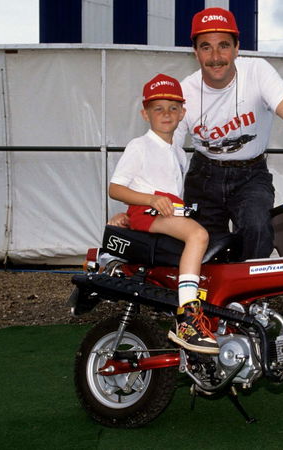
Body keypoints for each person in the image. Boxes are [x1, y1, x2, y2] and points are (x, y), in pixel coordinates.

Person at [172, 7, 283, 260]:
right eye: (205, 47)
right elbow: (168, 150)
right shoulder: (184, 91)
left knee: (258, 229)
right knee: (204, 250)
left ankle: (249, 299)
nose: (215, 56)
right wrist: (147, 202)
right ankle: (211, 299)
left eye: (223, 45)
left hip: (250, 175)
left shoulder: (257, 71)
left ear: (236, 48)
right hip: (204, 176)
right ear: (195, 52)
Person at [109, 73, 218, 355]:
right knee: (198, 234)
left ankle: (206, 309)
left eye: (173, 108)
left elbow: (145, 184)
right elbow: (116, 187)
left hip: (163, 212)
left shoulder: (179, 153)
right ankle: (187, 317)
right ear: (145, 114)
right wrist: (144, 204)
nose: (166, 114)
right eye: (158, 108)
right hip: (150, 211)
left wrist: (134, 210)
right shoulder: (139, 146)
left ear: (183, 113)